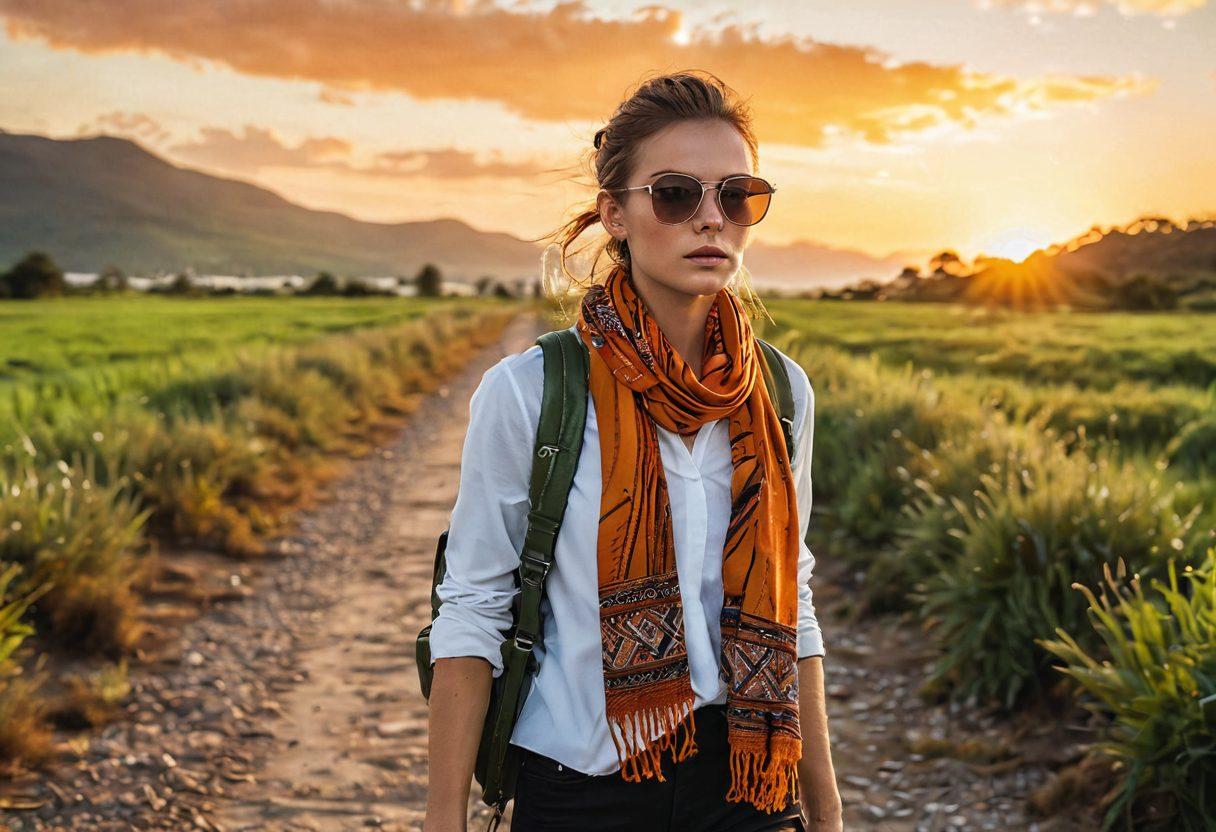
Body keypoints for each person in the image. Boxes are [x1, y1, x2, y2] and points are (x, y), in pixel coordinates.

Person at [423, 70, 843, 832]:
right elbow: (474, 609)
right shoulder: (531, 393)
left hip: (748, 785)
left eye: (738, 195)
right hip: (584, 786)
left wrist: (827, 809)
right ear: (615, 213)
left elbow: (795, 598)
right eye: (677, 194)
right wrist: (441, 818)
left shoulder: (781, 395)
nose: (712, 220)